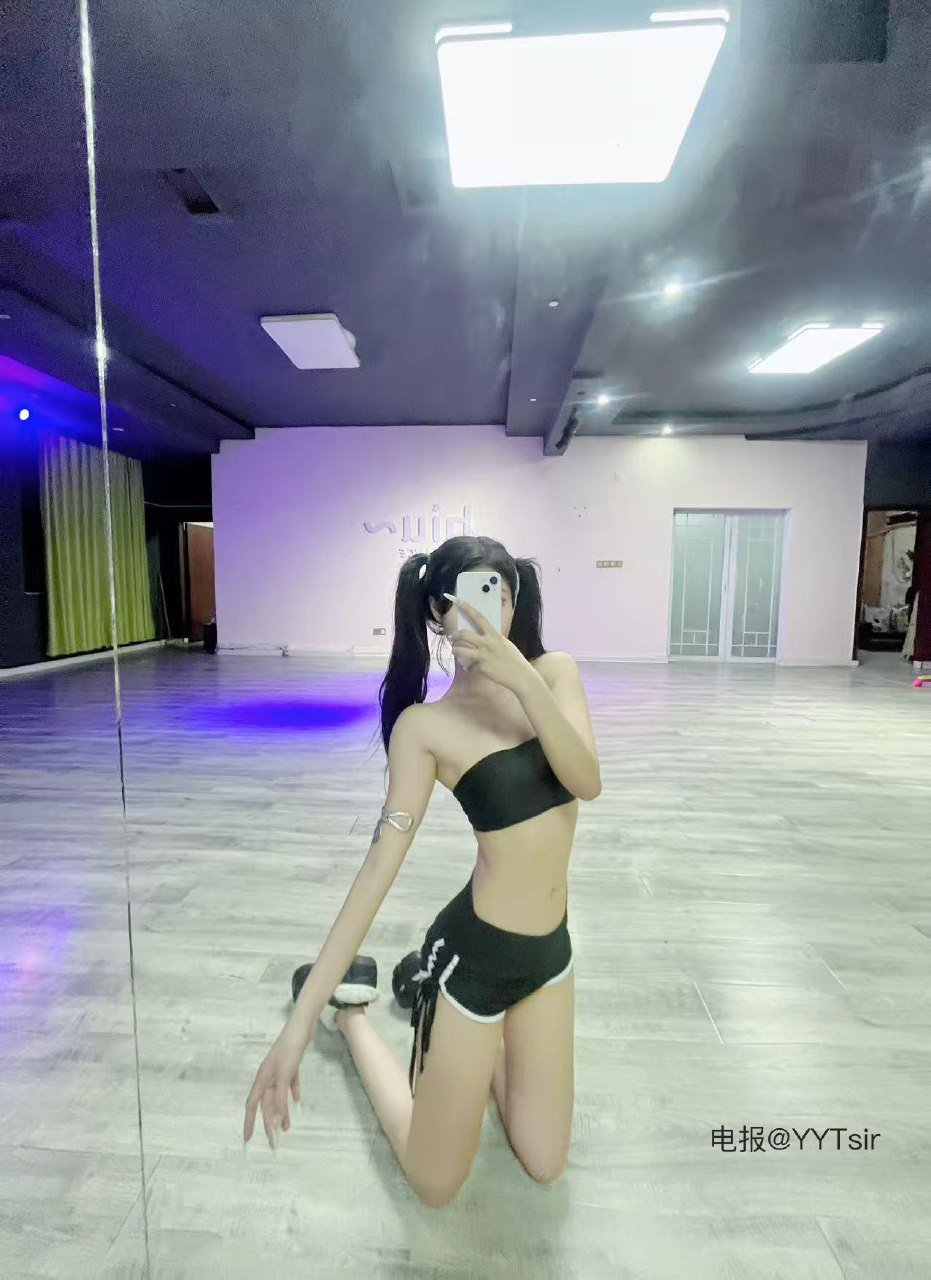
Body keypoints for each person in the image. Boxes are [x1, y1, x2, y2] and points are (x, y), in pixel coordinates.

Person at [243, 536, 601, 1208]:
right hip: (474, 960)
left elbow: (586, 780)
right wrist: (300, 1024)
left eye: (499, 594)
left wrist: (521, 678)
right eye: (467, 598)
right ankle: (354, 1015)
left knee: (545, 1161)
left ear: (515, 601)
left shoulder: (555, 675)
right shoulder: (426, 727)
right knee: (435, 1184)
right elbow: (379, 864)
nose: (486, 612)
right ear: (438, 612)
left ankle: (441, 1017)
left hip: (551, 956)